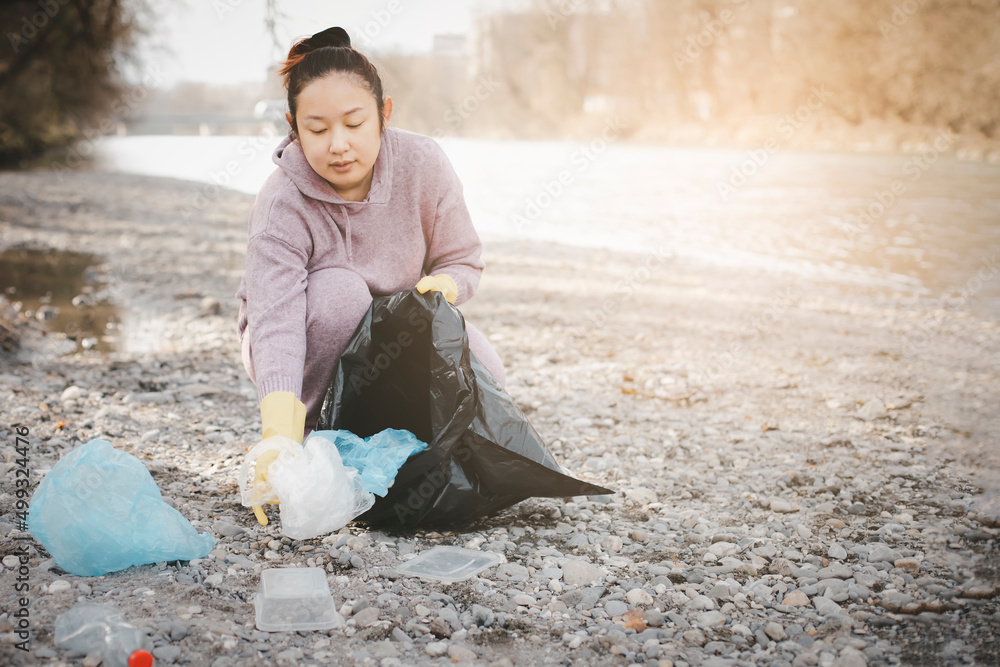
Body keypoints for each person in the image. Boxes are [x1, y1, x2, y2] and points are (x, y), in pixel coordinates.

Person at [234, 26, 506, 525]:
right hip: (310, 332)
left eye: (355, 124)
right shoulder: (281, 203)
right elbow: (276, 322)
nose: (338, 145)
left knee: (486, 368)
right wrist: (278, 433)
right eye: (317, 130)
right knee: (342, 291)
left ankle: (394, 441)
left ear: (384, 115)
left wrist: (443, 287)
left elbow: (462, 260)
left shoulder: (423, 165)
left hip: (394, 332)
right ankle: (314, 440)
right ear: (294, 127)